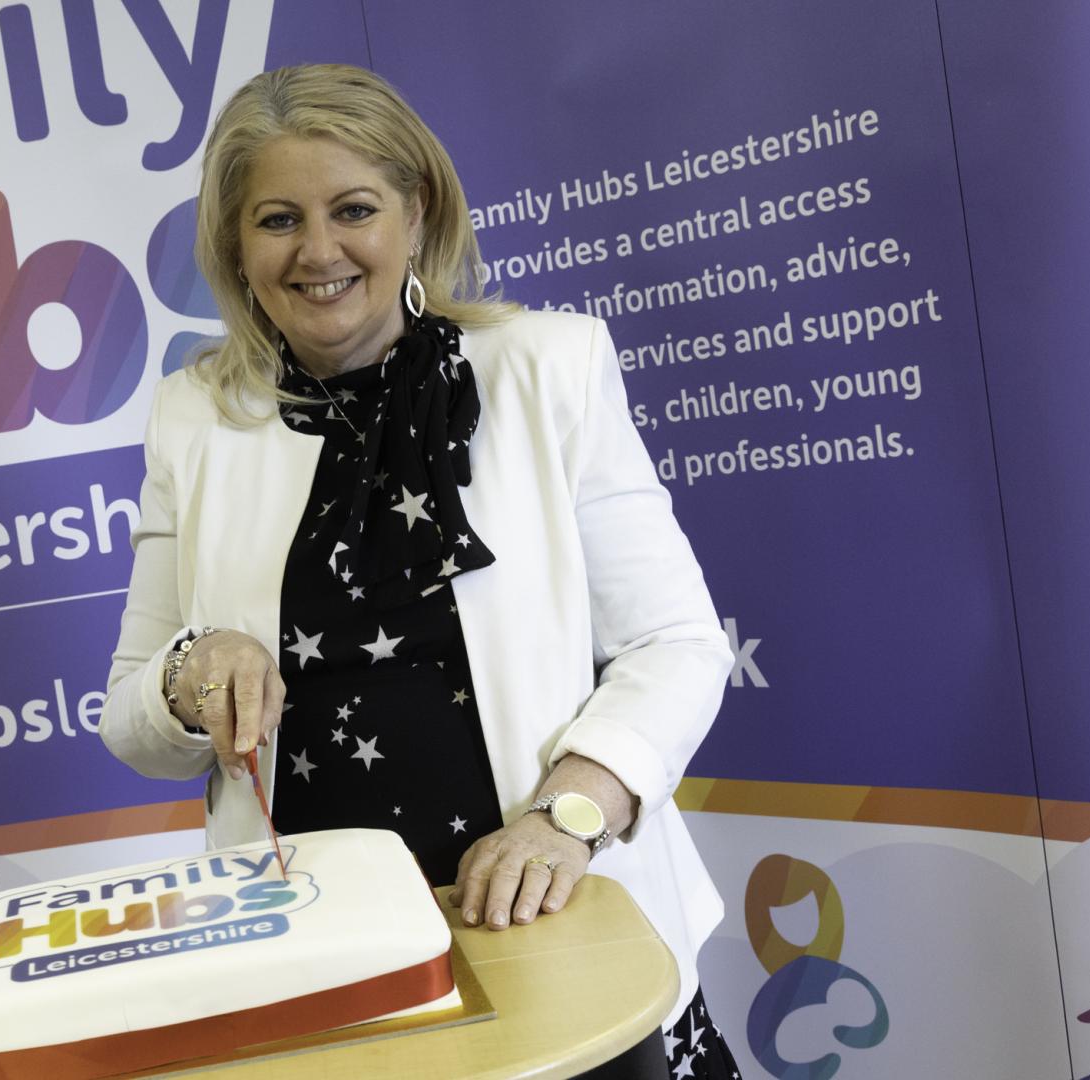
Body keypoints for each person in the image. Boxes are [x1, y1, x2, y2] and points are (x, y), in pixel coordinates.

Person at [101, 64, 738, 1079]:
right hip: (319, 977)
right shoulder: (192, 416)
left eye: (353, 209)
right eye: (276, 220)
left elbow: (677, 644)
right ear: (234, 245)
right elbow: (134, 718)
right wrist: (192, 669)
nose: (319, 252)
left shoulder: (551, 368)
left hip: (558, 924)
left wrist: (571, 812)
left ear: (417, 211)